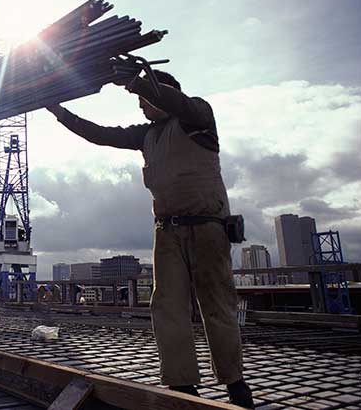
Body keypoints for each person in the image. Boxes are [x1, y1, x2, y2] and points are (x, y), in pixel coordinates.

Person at [46, 70, 253, 408]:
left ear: (162, 92)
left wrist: (136, 81)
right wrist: (60, 112)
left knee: (217, 306)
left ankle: (235, 383)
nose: (140, 106)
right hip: (166, 231)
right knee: (167, 307)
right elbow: (99, 134)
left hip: (207, 228)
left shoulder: (197, 117)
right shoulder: (147, 135)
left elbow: (178, 103)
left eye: (144, 99)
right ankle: (182, 384)